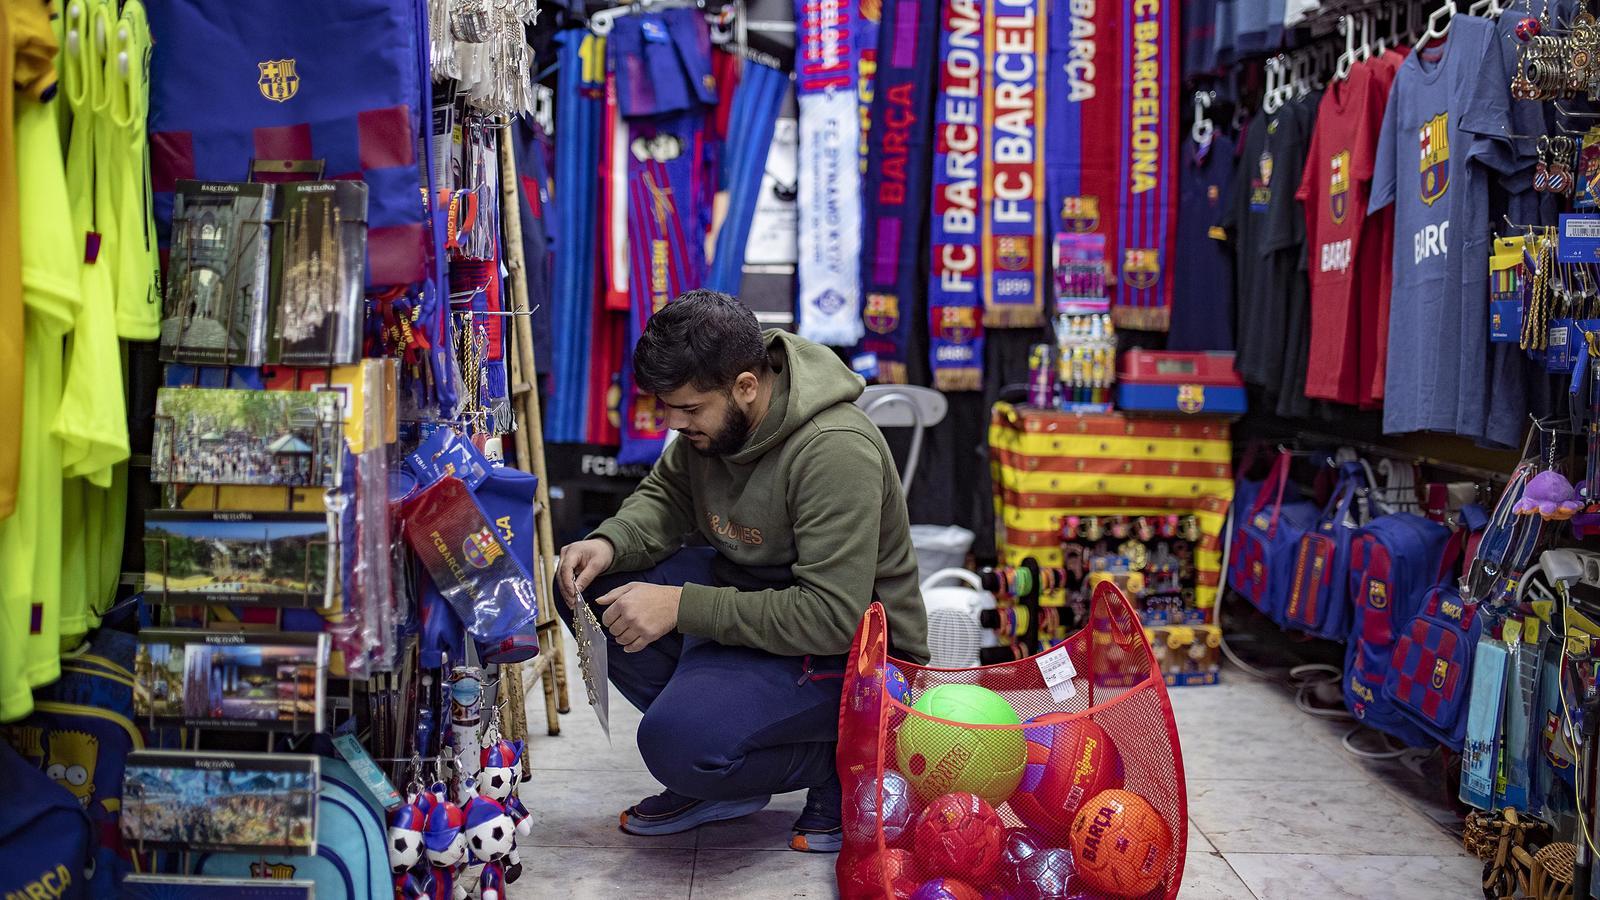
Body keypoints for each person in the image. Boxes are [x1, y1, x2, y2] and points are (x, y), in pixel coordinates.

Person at [556, 290, 927, 853]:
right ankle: (722, 755)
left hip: (855, 658)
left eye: (688, 410)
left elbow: (832, 617)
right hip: (759, 600)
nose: (675, 424)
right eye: (667, 408)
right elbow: (665, 497)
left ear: (746, 386)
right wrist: (610, 543)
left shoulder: (834, 448)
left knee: (676, 746)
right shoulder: (715, 423)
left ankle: (845, 759)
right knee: (590, 589)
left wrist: (682, 605)